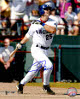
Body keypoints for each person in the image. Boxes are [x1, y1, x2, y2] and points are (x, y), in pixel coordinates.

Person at [16, 4, 57, 95]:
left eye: (49, 9)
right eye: (46, 9)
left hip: (46, 50)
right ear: (42, 11)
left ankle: (21, 84)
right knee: (49, 65)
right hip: (36, 49)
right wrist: (21, 43)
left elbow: (52, 30)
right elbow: (28, 35)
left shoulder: (53, 21)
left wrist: (42, 23)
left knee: (34, 71)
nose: (48, 11)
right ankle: (46, 86)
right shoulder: (35, 23)